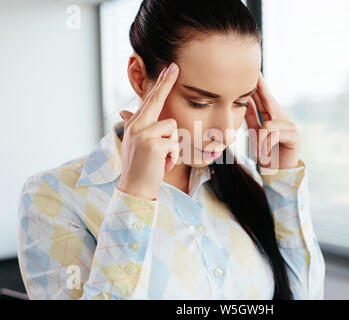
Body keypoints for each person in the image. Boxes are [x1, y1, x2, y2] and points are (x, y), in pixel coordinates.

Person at [16, 0, 325, 300]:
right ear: (139, 78)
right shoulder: (53, 196)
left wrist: (283, 180)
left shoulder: (242, 178)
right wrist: (134, 195)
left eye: (240, 102)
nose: (227, 130)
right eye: (200, 103)